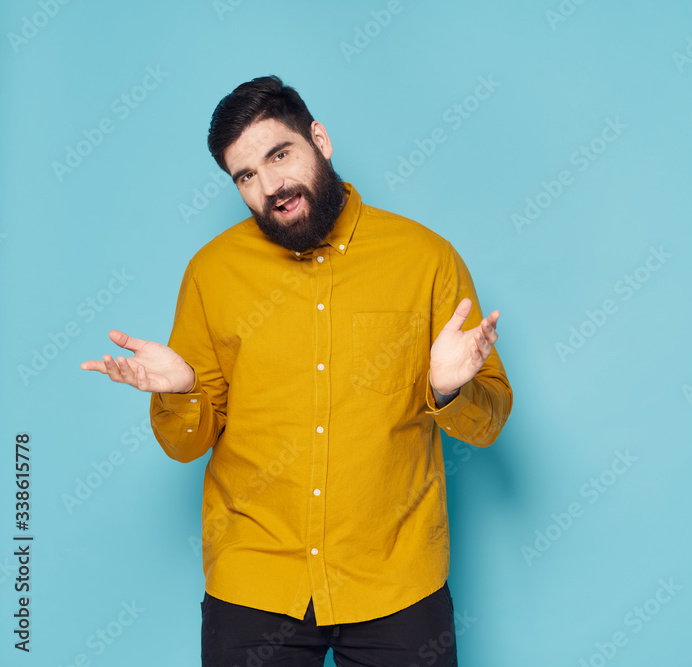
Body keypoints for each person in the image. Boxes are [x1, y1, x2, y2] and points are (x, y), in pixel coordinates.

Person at [80, 75, 513, 667]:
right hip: (253, 582)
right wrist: (182, 395)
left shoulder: (426, 260)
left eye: (280, 155)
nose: (271, 186)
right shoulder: (212, 272)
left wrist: (448, 387)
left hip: (396, 581)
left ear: (320, 139)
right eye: (246, 176)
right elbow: (187, 446)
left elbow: (486, 425)